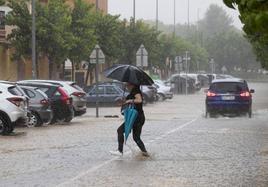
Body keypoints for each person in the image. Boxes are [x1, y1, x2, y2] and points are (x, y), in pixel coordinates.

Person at [110, 83, 149, 157]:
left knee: (120, 130)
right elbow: (128, 104)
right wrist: (123, 102)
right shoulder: (132, 92)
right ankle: (145, 153)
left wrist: (130, 100)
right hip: (138, 117)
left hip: (136, 118)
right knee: (136, 137)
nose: (126, 86)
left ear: (132, 84)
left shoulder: (136, 90)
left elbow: (139, 100)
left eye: (127, 84)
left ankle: (120, 151)